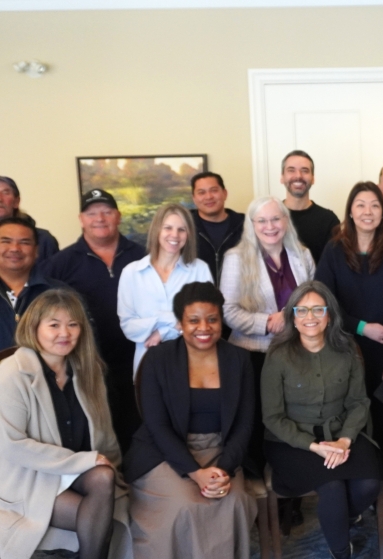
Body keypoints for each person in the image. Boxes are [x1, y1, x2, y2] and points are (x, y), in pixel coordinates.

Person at [123, 282, 256, 559]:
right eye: (194, 319)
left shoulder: (238, 359)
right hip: (166, 452)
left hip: (220, 452)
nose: (204, 327)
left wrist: (225, 469)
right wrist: (194, 473)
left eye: (212, 319)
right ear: (180, 322)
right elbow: (156, 424)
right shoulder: (158, 359)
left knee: (234, 500)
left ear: (221, 321)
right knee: (177, 509)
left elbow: (246, 422)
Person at [0, 289, 134, 559]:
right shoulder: (11, 372)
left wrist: (109, 467)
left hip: (71, 474)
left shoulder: (84, 370)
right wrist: (86, 461)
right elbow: (13, 447)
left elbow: (103, 437)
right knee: (100, 508)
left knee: (106, 480)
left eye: (73, 324)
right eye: (54, 324)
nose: (65, 332)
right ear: (34, 327)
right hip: (26, 478)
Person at [261, 281, 383, 559]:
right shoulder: (278, 355)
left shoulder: (346, 351)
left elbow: (360, 402)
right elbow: (272, 417)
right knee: (330, 486)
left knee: (371, 481)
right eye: (302, 310)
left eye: (318, 309)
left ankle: (339, 523)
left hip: (341, 432)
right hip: (293, 442)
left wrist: (344, 440)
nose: (310, 316)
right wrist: (316, 447)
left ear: (329, 316)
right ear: (293, 316)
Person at [315, 181, 383, 455]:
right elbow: (323, 303)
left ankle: (382, 489)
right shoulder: (333, 252)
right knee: (347, 421)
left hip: (382, 354)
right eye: (360, 205)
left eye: (374, 205)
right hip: (341, 351)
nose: (367, 211)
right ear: (349, 212)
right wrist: (362, 327)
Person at [219, 196, 315, 474]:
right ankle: (259, 488)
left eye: (276, 218)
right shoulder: (236, 258)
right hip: (253, 355)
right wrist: (267, 322)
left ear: (286, 221)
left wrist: (298, 319)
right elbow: (227, 311)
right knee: (258, 423)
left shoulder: (302, 255)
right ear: (252, 225)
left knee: (294, 421)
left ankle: (292, 489)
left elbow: (316, 302)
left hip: (296, 354)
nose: (270, 226)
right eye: (262, 220)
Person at [45, 189, 145, 452]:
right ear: (81, 219)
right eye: (92, 213)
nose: (99, 218)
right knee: (99, 432)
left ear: (118, 216)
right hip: (87, 363)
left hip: (139, 360)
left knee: (140, 429)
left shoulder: (143, 256)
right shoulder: (60, 263)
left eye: (107, 211)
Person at [117, 203, 212, 376]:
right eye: (168, 228)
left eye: (182, 229)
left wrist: (162, 332)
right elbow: (128, 326)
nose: (174, 235)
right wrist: (171, 319)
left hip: (194, 366)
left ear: (188, 234)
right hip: (147, 365)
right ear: (156, 231)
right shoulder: (131, 273)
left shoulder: (200, 270)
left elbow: (206, 322)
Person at [1, 216, 66, 350]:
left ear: (36, 251)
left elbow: (83, 349)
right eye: (5, 241)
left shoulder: (60, 294)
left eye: (24, 242)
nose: (15, 249)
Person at [280, 150, 340, 263]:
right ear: (282, 177)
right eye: (291, 170)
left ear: (313, 178)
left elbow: (335, 265)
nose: (298, 176)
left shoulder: (328, 220)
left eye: (305, 171)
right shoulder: (270, 218)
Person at [190, 172, 245, 286]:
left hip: (241, 300)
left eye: (214, 190)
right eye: (201, 192)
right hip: (196, 300)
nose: (209, 196)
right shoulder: (184, 227)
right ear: (194, 198)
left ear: (224, 193)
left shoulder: (246, 224)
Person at [0, 175, 59, 268]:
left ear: (16, 201)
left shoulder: (42, 239)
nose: (0, 199)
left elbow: (52, 277)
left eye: (5, 193)